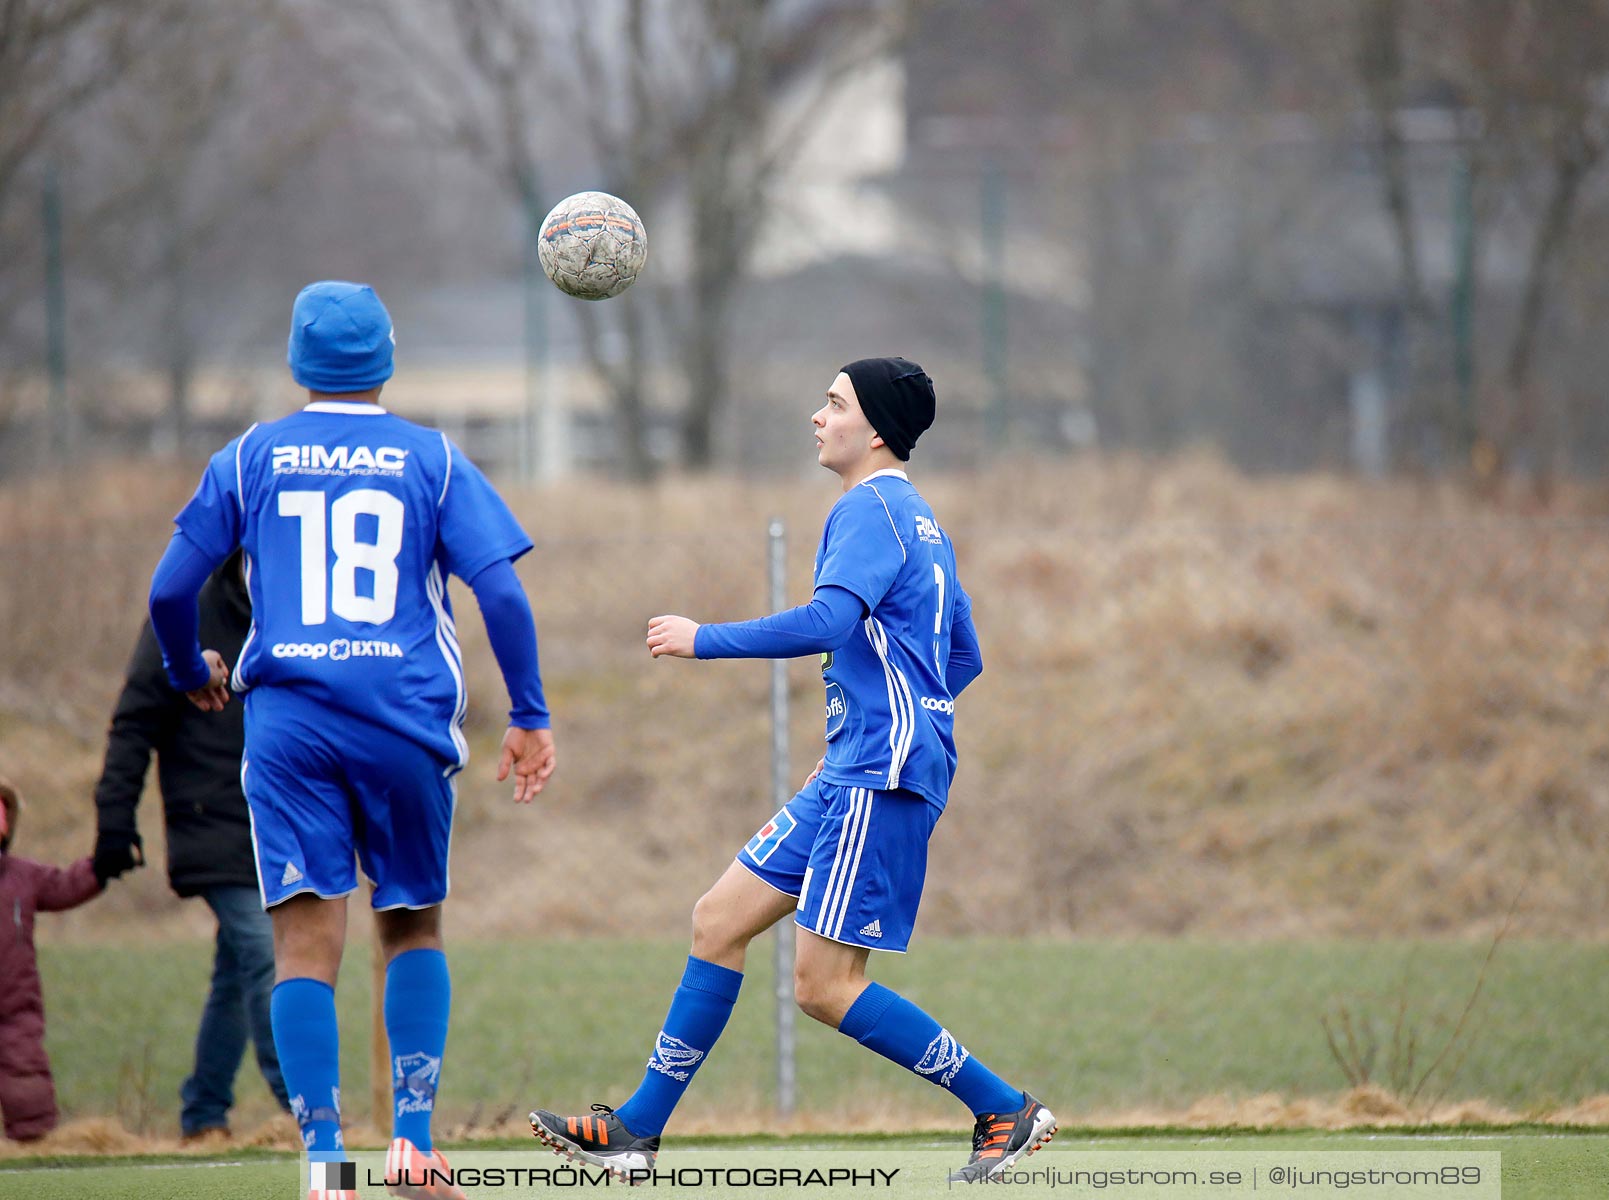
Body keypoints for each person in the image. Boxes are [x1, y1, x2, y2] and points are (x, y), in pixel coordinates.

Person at [527, 358, 1056, 1186]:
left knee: (824, 985)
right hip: (863, 762)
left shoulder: (869, 507)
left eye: (835, 403)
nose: (818, 416)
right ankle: (636, 1131)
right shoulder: (918, 519)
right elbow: (964, 657)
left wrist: (704, 639)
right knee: (718, 920)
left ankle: (1003, 1109)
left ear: (875, 429)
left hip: (877, 773)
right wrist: (893, 716)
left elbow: (828, 620)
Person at [148, 281, 557, 1200]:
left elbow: (170, 594)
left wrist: (188, 672)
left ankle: (326, 1165)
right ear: (388, 359)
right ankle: (412, 1149)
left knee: (303, 949)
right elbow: (502, 594)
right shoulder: (433, 458)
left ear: (298, 362)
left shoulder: (250, 457)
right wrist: (528, 713)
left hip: (290, 729)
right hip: (403, 723)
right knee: (410, 924)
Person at [93, 549, 289, 1143]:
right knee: (265, 954)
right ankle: (308, 1108)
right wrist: (114, 820)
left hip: (279, 822)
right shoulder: (184, 618)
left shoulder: (301, 614)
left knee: (235, 970)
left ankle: (204, 1115)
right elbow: (134, 722)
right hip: (211, 821)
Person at [0, 779, 103, 1142]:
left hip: (15, 1006)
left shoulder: (22, 876)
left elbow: (63, 885)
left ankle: (35, 1152)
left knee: (27, 1085)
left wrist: (102, 865)